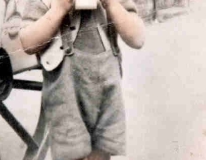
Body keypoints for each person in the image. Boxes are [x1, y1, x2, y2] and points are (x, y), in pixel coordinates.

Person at [19, 0, 145, 160]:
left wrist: (112, 4)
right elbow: (28, 43)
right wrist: (59, 9)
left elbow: (138, 38)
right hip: (66, 96)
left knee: (102, 152)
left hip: (107, 93)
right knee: (71, 152)